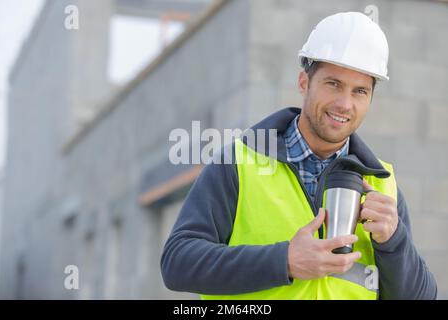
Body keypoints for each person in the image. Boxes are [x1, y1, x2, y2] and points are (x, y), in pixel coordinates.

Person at [160, 12, 437, 299]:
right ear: (304, 83)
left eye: (359, 91)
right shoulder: (238, 164)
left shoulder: (384, 186)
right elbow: (178, 262)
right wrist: (285, 261)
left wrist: (394, 241)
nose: (344, 104)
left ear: (370, 99)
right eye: (333, 84)